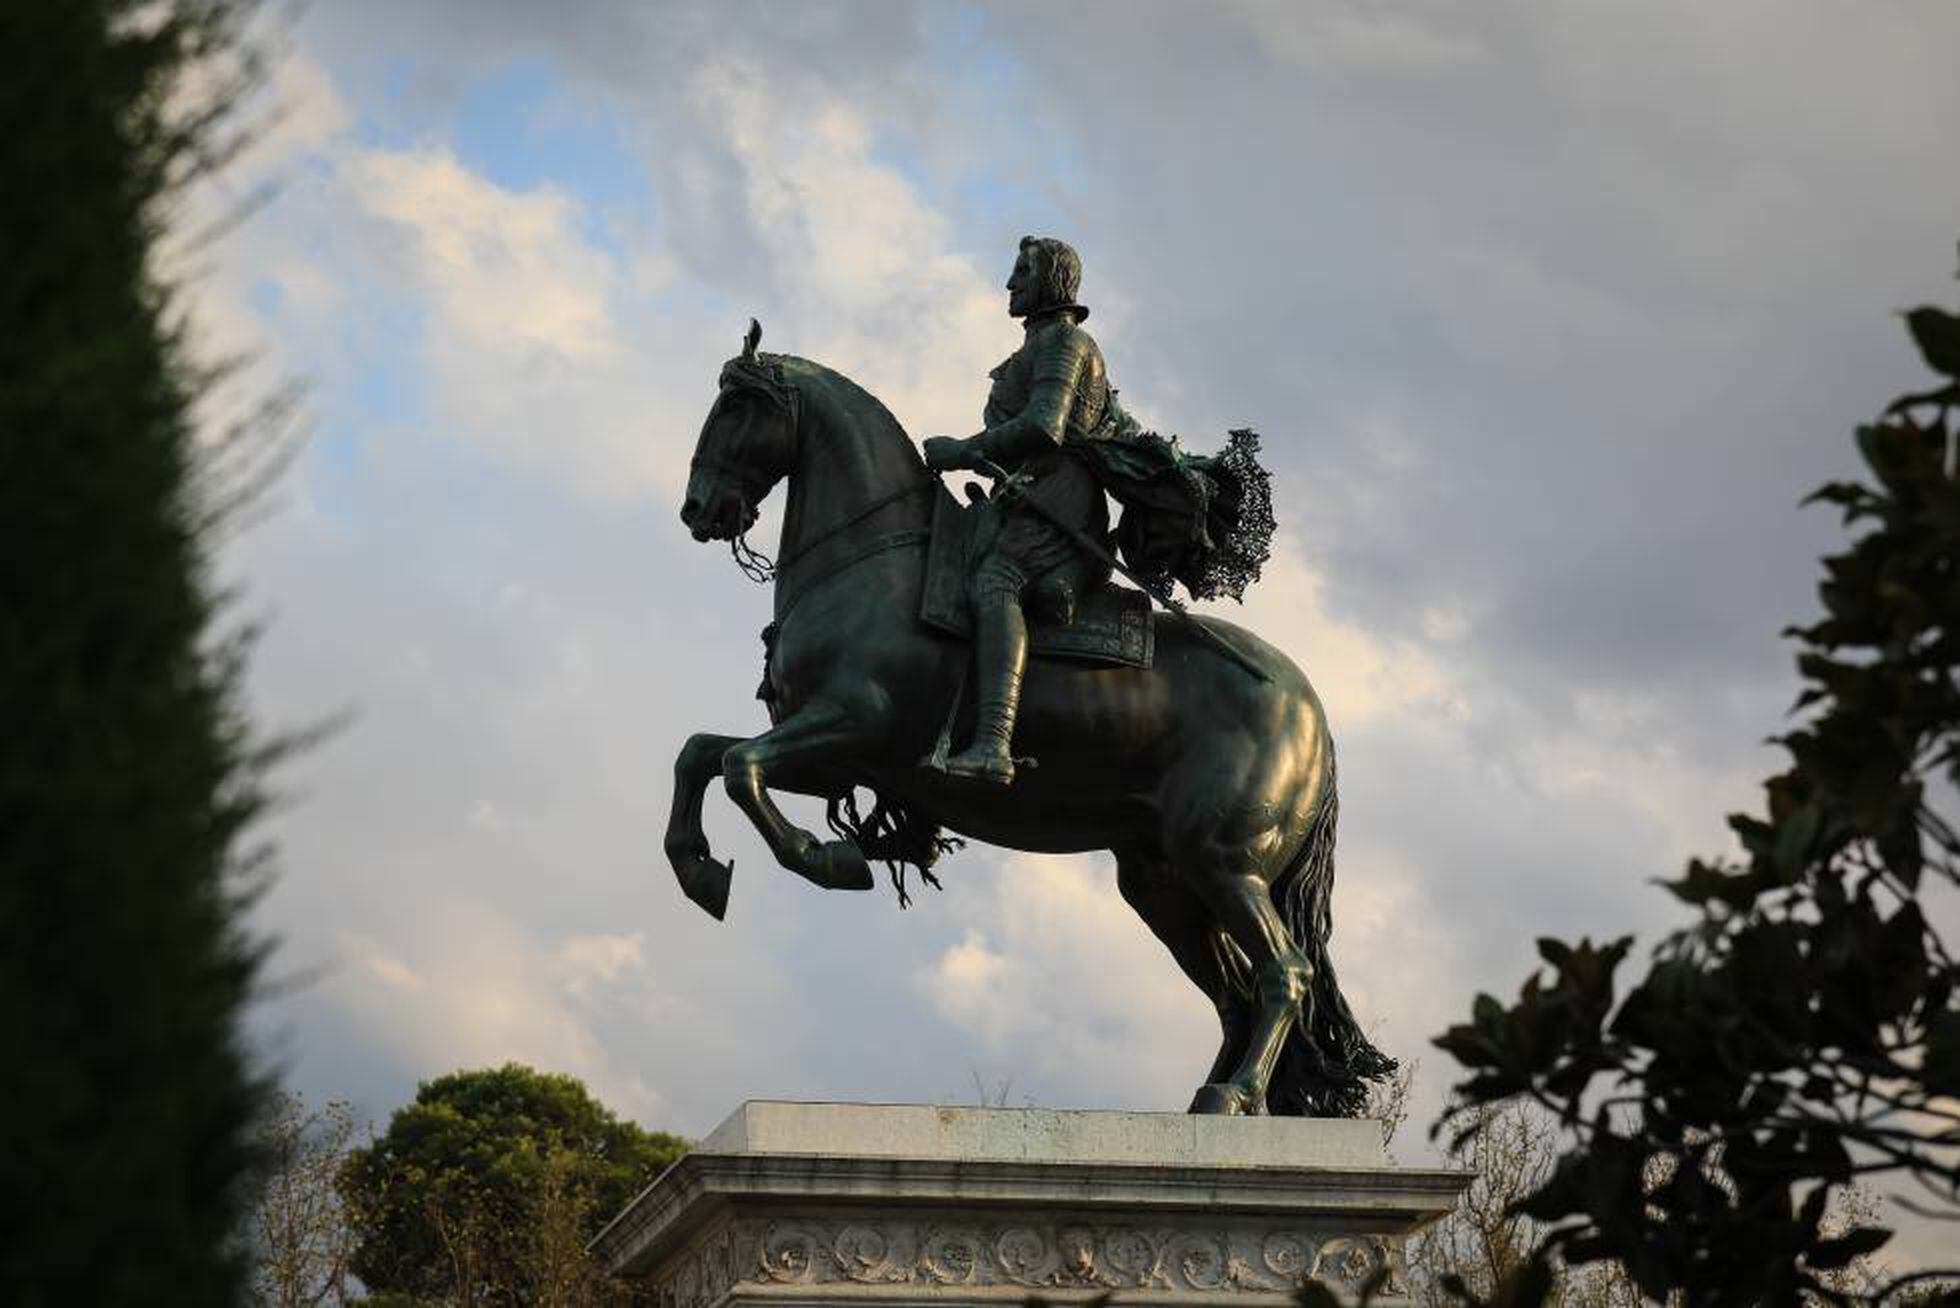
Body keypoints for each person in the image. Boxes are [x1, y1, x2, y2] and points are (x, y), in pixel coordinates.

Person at [923, 235, 1119, 785]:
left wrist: (964, 450)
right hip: (1027, 492)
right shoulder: (1033, 348)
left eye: (1021, 273)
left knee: (994, 580)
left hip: (1059, 498)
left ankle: (992, 743)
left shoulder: (1065, 342)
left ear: (1050, 280)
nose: (1009, 284)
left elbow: (1044, 427)